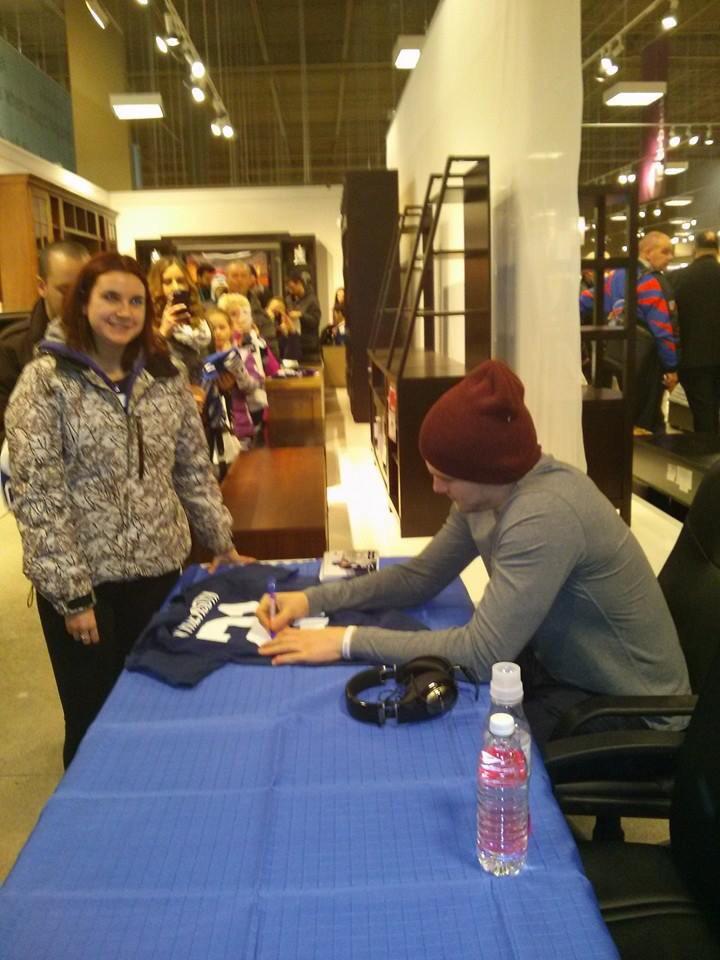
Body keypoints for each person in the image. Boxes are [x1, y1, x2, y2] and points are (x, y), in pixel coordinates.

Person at [256, 359, 690, 745]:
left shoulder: (543, 514)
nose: (436, 488)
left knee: (462, 746)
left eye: (445, 476)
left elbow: (481, 656)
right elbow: (418, 577)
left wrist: (345, 642)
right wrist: (313, 599)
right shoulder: (486, 495)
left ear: (486, 471)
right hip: (566, 669)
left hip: (632, 708)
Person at [5, 252, 251, 768]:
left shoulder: (164, 376)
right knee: (95, 720)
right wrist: (73, 597)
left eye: (136, 300)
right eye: (110, 297)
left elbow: (191, 469)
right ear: (83, 303)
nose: (124, 310)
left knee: (161, 704)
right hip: (88, 588)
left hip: (159, 573)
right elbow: (39, 495)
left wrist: (222, 541)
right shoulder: (46, 381)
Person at [580, 231, 679, 433]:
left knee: (627, 415)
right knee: (648, 422)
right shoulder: (651, 282)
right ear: (648, 252)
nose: (670, 257)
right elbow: (661, 329)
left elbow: (584, 301)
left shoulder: (615, 276)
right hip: (647, 361)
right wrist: (671, 365)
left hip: (618, 357)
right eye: (665, 251)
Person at [0, 241, 89, 445]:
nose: (77, 300)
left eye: (84, 290)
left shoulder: (105, 337)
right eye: (66, 290)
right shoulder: (11, 347)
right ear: (42, 287)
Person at [673, 230, 720, 433]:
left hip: (692, 361)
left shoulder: (676, 279)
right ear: (717, 250)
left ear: (694, 249)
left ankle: (707, 460)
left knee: (704, 417)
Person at [148, 255, 213, 401]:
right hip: (169, 403)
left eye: (180, 281)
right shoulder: (148, 323)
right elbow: (145, 370)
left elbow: (211, 361)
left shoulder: (202, 321)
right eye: (167, 282)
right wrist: (163, 332)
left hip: (206, 398)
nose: (175, 287)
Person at [226, 258, 278, 356]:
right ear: (226, 279)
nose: (239, 280)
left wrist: (252, 338)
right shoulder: (212, 311)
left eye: (243, 276)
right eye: (234, 276)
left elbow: (273, 353)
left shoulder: (262, 315)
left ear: (250, 279)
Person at [285, 269, 322, 364]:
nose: (290, 290)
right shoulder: (292, 300)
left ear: (299, 283)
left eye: (292, 287)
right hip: (297, 347)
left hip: (310, 350)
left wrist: (301, 315)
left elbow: (315, 321)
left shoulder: (312, 300)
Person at [266, 295, 301, 362]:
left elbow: (291, 361)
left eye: (278, 313)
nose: (275, 316)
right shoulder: (261, 330)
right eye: (273, 311)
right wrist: (269, 323)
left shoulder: (285, 337)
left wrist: (292, 332)